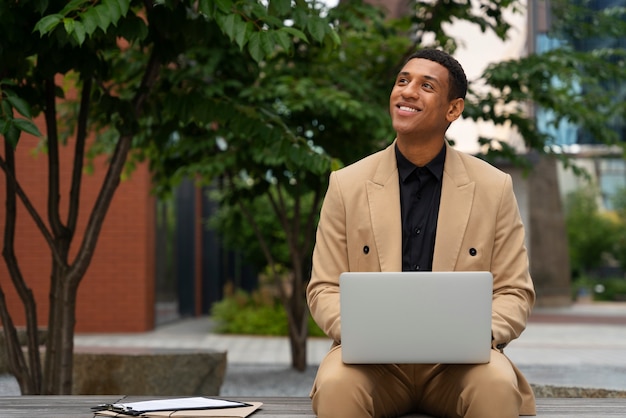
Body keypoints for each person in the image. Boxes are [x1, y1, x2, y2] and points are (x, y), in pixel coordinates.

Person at [306, 48, 536, 418]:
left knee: (496, 384)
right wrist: (362, 332)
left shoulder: (493, 187)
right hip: (372, 364)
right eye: (402, 81)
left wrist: (478, 335)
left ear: (453, 109)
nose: (407, 91)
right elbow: (323, 287)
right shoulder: (346, 184)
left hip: (457, 365)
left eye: (426, 86)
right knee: (336, 386)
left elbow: (515, 291)